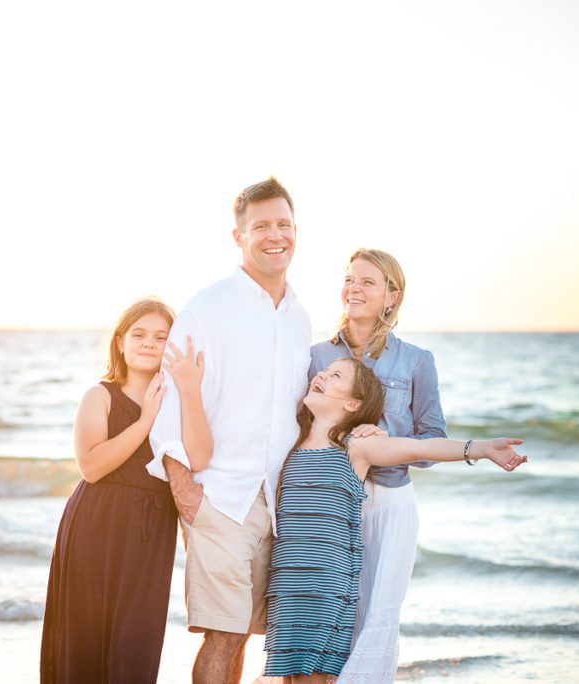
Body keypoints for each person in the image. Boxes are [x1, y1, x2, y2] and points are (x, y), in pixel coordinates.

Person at [264, 357, 527, 682]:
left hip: (327, 584)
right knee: (288, 678)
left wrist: (480, 448)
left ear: (352, 403)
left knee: (312, 679)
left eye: (335, 376)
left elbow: (421, 447)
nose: (321, 375)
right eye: (323, 371)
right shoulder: (292, 439)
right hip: (287, 582)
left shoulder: (356, 445)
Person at [146, 177, 315, 684]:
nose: (274, 235)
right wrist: (184, 491)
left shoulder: (300, 317)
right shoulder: (208, 307)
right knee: (222, 632)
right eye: (260, 226)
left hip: (277, 500)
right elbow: (171, 404)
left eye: (283, 224)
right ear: (238, 236)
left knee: (245, 631)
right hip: (219, 495)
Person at [40, 298, 201, 683]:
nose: (149, 343)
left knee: (136, 638)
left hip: (151, 528)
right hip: (97, 523)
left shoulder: (177, 403)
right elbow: (92, 467)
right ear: (120, 343)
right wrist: (146, 420)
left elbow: (198, 458)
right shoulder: (100, 396)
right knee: (86, 633)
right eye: (139, 334)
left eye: (161, 336)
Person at [309, 248, 445, 682]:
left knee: (377, 621)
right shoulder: (315, 356)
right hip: (331, 506)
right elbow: (298, 431)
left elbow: (433, 443)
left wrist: (391, 442)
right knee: (328, 620)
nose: (354, 289)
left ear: (392, 295)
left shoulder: (416, 361)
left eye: (368, 282)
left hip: (390, 503)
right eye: (350, 279)